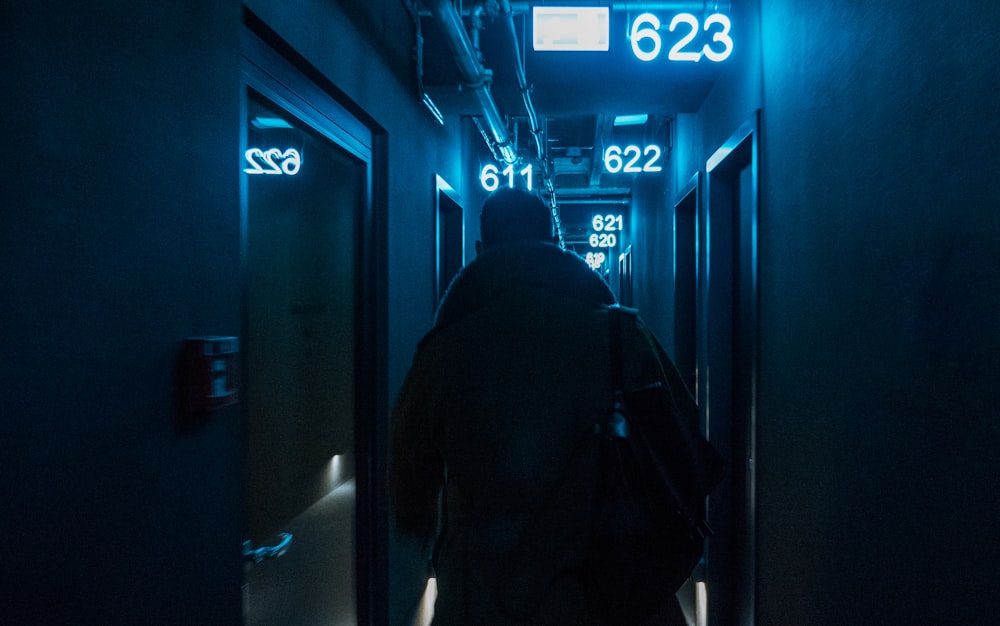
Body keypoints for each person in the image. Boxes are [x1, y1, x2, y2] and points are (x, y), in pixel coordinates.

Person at [389, 187, 693, 624]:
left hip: (483, 597)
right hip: (612, 589)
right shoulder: (621, 334)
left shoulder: (445, 350)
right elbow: (684, 454)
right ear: (552, 241)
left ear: (479, 250)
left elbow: (408, 488)